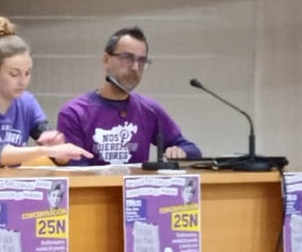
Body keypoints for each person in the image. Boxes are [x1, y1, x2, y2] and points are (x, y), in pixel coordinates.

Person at [0, 17, 91, 166]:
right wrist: (42, 151)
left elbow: (58, 157)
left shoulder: (27, 102)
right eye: (14, 74)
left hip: (16, 185)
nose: (22, 81)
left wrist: (58, 150)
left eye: (27, 73)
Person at [57, 26, 200, 166]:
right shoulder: (74, 112)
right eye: (127, 58)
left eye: (142, 61)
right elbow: (77, 172)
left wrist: (181, 151)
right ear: (106, 59)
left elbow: (191, 149)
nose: (135, 68)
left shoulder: (148, 109)